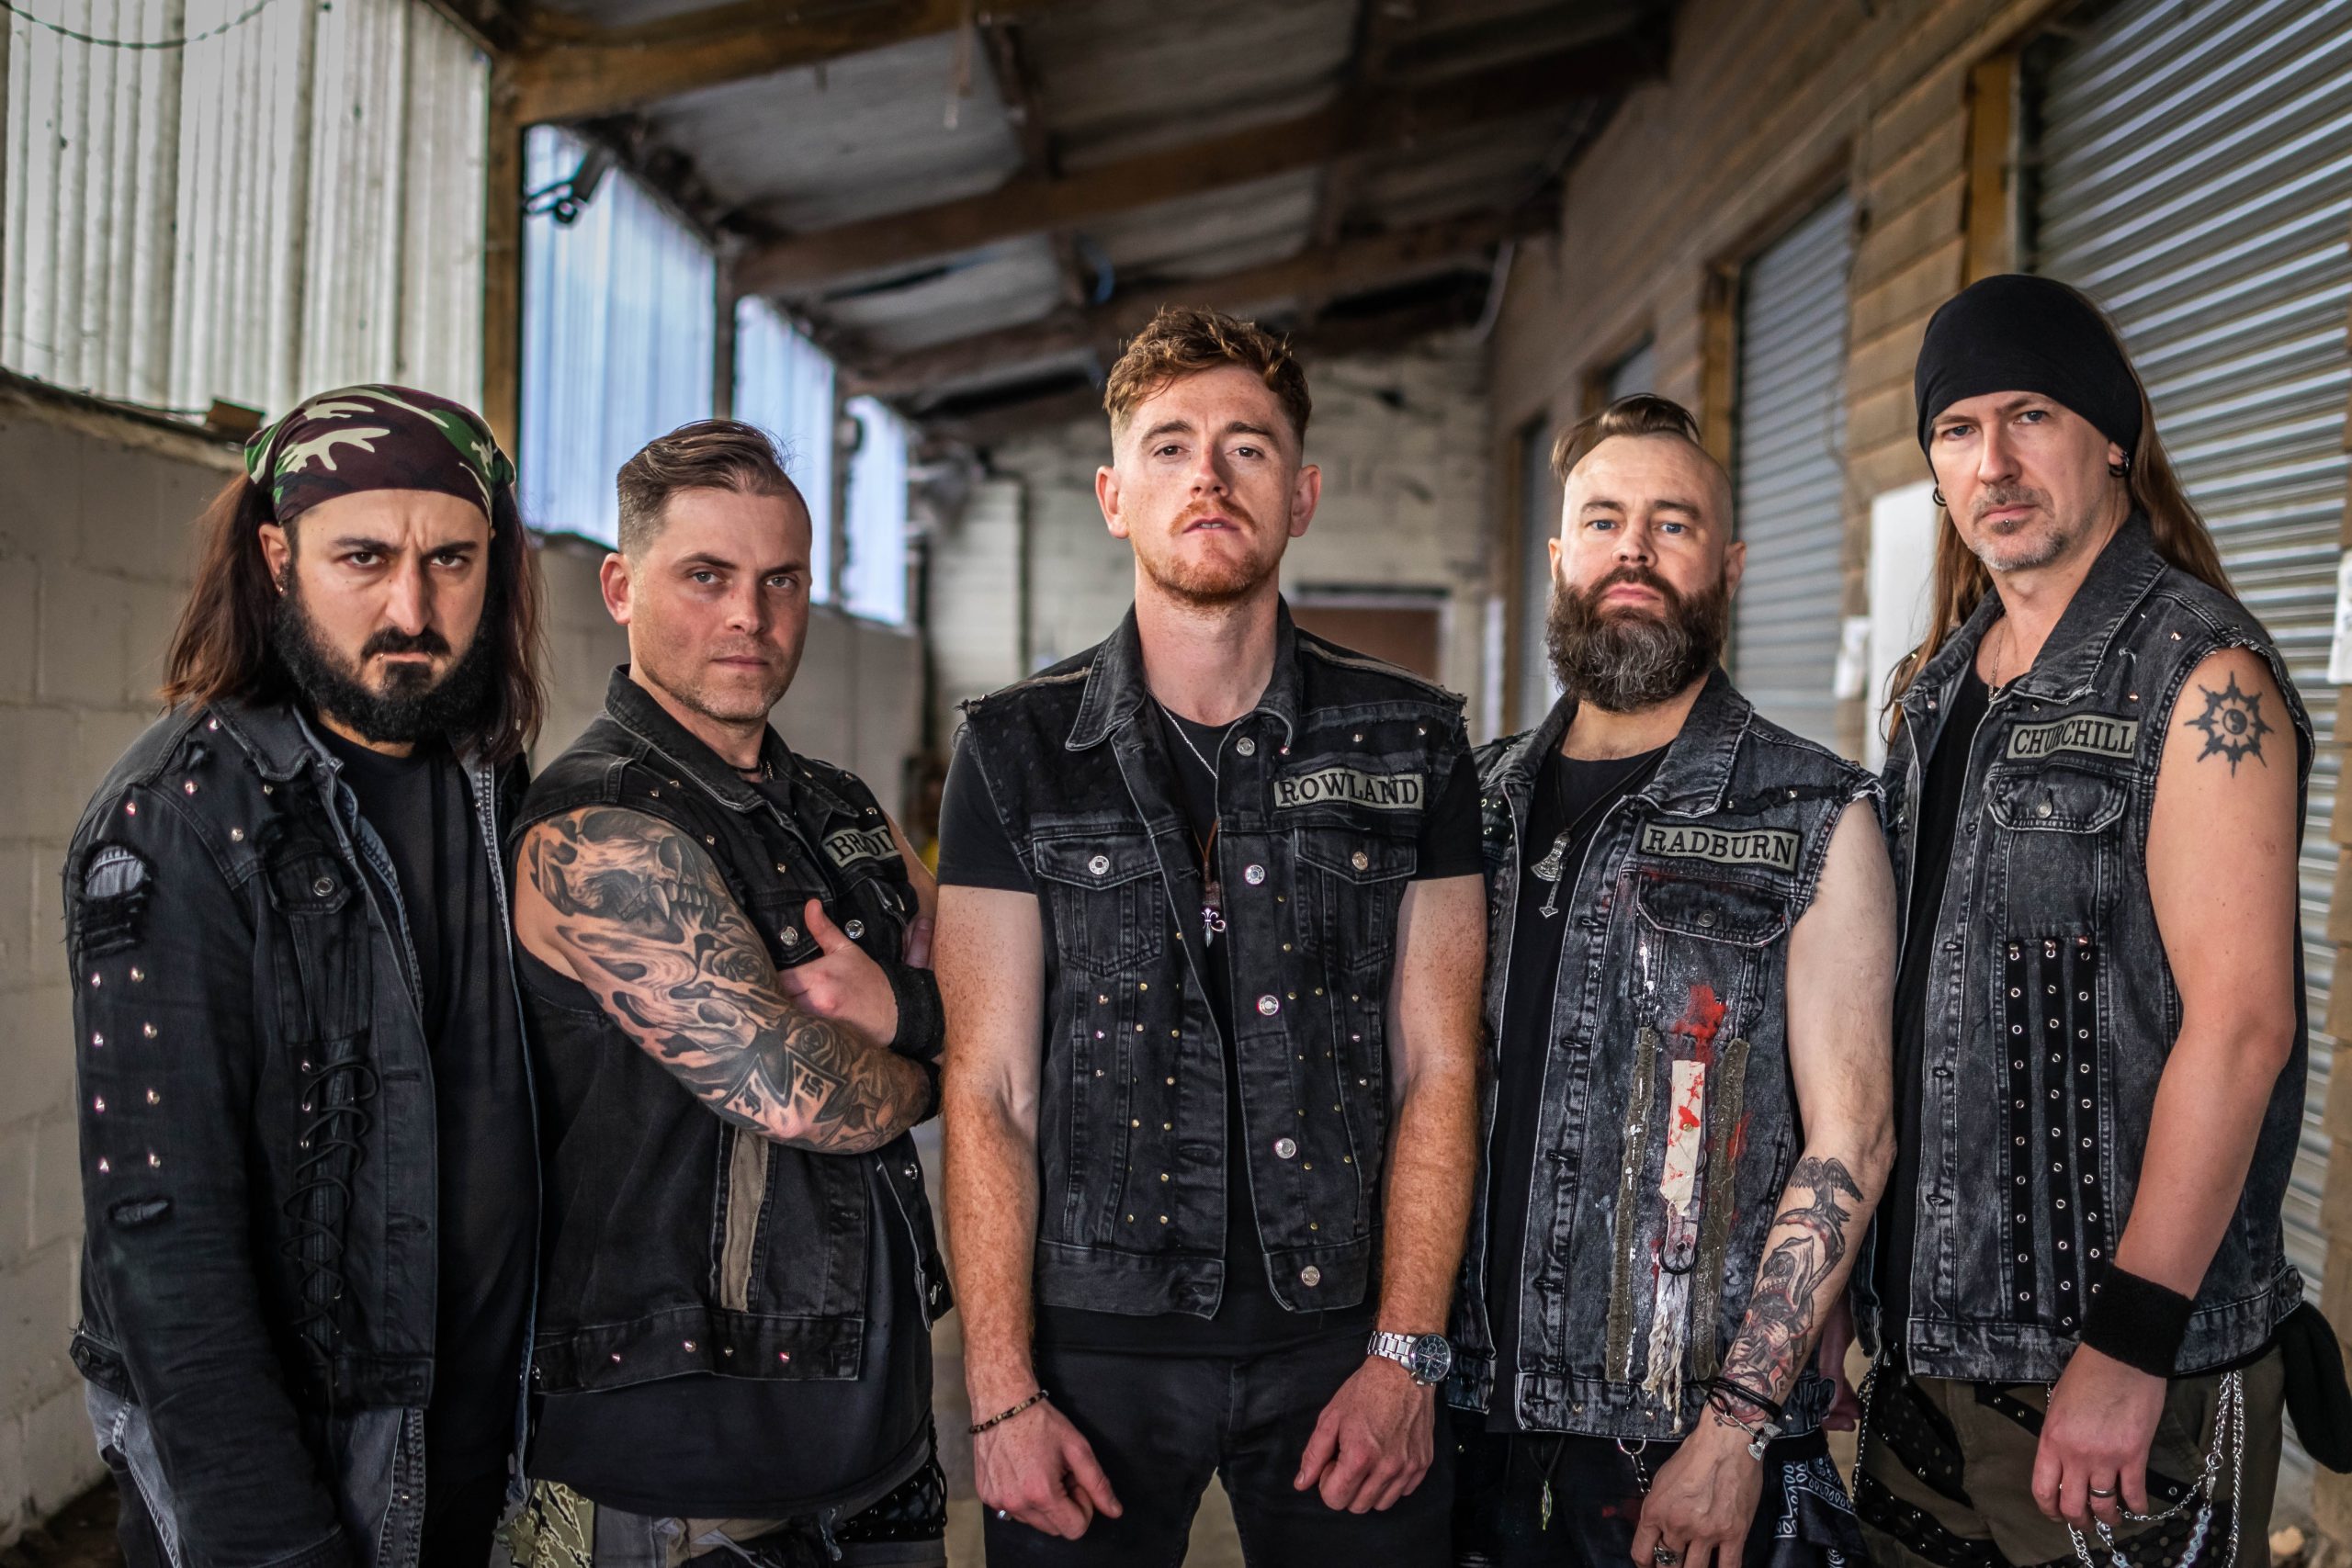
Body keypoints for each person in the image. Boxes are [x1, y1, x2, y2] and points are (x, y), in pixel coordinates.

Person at [934, 305, 1487, 1566]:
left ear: (1301, 495)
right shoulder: (1015, 750)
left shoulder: (1409, 741)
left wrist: (1407, 1354)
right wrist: (1001, 1390)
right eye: (1170, 446)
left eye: (1247, 447)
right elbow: (989, 1087)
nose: (1208, 477)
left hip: (1342, 1342)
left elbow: (1440, 1065)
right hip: (1093, 1351)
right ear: (1113, 496)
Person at [1857, 274, 2309, 1568]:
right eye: (1956, 430)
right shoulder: (1938, 689)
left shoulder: (2200, 673)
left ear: (2113, 435)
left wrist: (2129, 1341)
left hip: (2112, 1377)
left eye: (2031, 415)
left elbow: (2242, 1028)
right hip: (1926, 1359)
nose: (1991, 463)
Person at [64, 385, 545, 1566]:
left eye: (451, 561)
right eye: (363, 558)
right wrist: (272, 1540)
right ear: (278, 559)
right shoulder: (177, 820)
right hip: (307, 1476)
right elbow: (160, 1236)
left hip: (490, 1459)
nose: (411, 609)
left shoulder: (491, 779)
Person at [1446, 394, 1892, 1568]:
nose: (1633, 550)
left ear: (1728, 566)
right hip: (1454, 1416)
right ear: (1560, 556)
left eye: (1672, 523)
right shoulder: (1468, 805)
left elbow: (1852, 1139)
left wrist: (1734, 1431)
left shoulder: (1813, 813)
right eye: (1603, 520)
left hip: (1673, 1439)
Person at [502, 421, 948, 1568]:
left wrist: (902, 1018)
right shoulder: (598, 828)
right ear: (621, 587)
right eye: (706, 576)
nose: (750, 615)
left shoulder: (839, 803)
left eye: (780, 579)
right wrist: (941, 1063)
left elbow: (991, 979)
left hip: (881, 1439)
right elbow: (797, 1092)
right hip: (682, 1478)